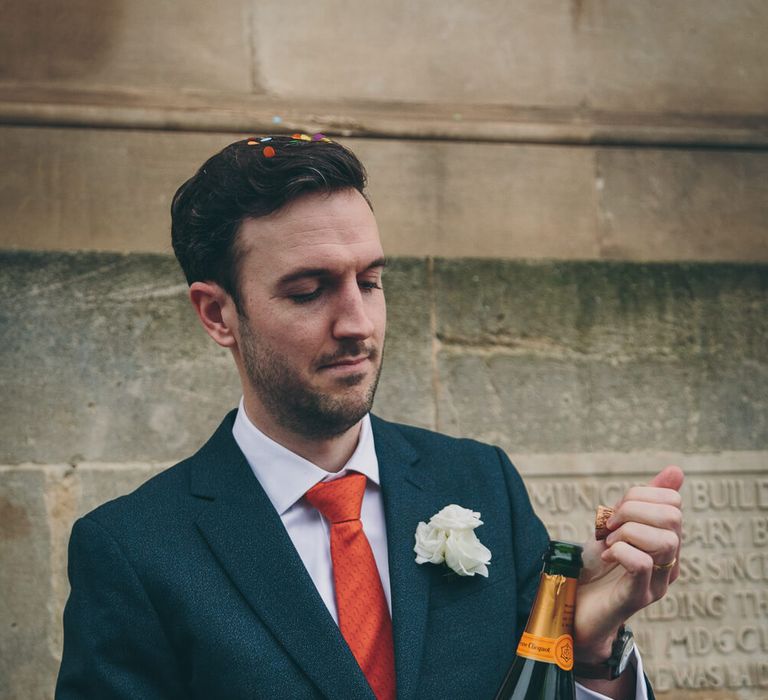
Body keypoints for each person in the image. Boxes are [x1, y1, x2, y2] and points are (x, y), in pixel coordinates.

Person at [56, 135, 683, 700]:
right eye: (308, 291)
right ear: (218, 315)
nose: (357, 323)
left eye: (371, 281)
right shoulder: (133, 550)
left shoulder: (482, 482)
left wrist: (596, 656)